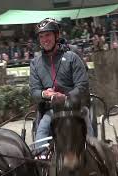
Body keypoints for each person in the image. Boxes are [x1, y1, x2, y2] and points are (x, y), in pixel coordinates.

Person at [29, 18, 90, 149]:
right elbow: (34, 91)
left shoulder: (72, 57)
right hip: (51, 110)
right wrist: (44, 93)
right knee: (43, 126)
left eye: (48, 35)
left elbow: (82, 86)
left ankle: (94, 153)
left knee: (87, 127)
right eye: (41, 36)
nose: (45, 39)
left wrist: (65, 97)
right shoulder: (35, 62)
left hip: (75, 107)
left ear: (57, 35)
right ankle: (41, 157)